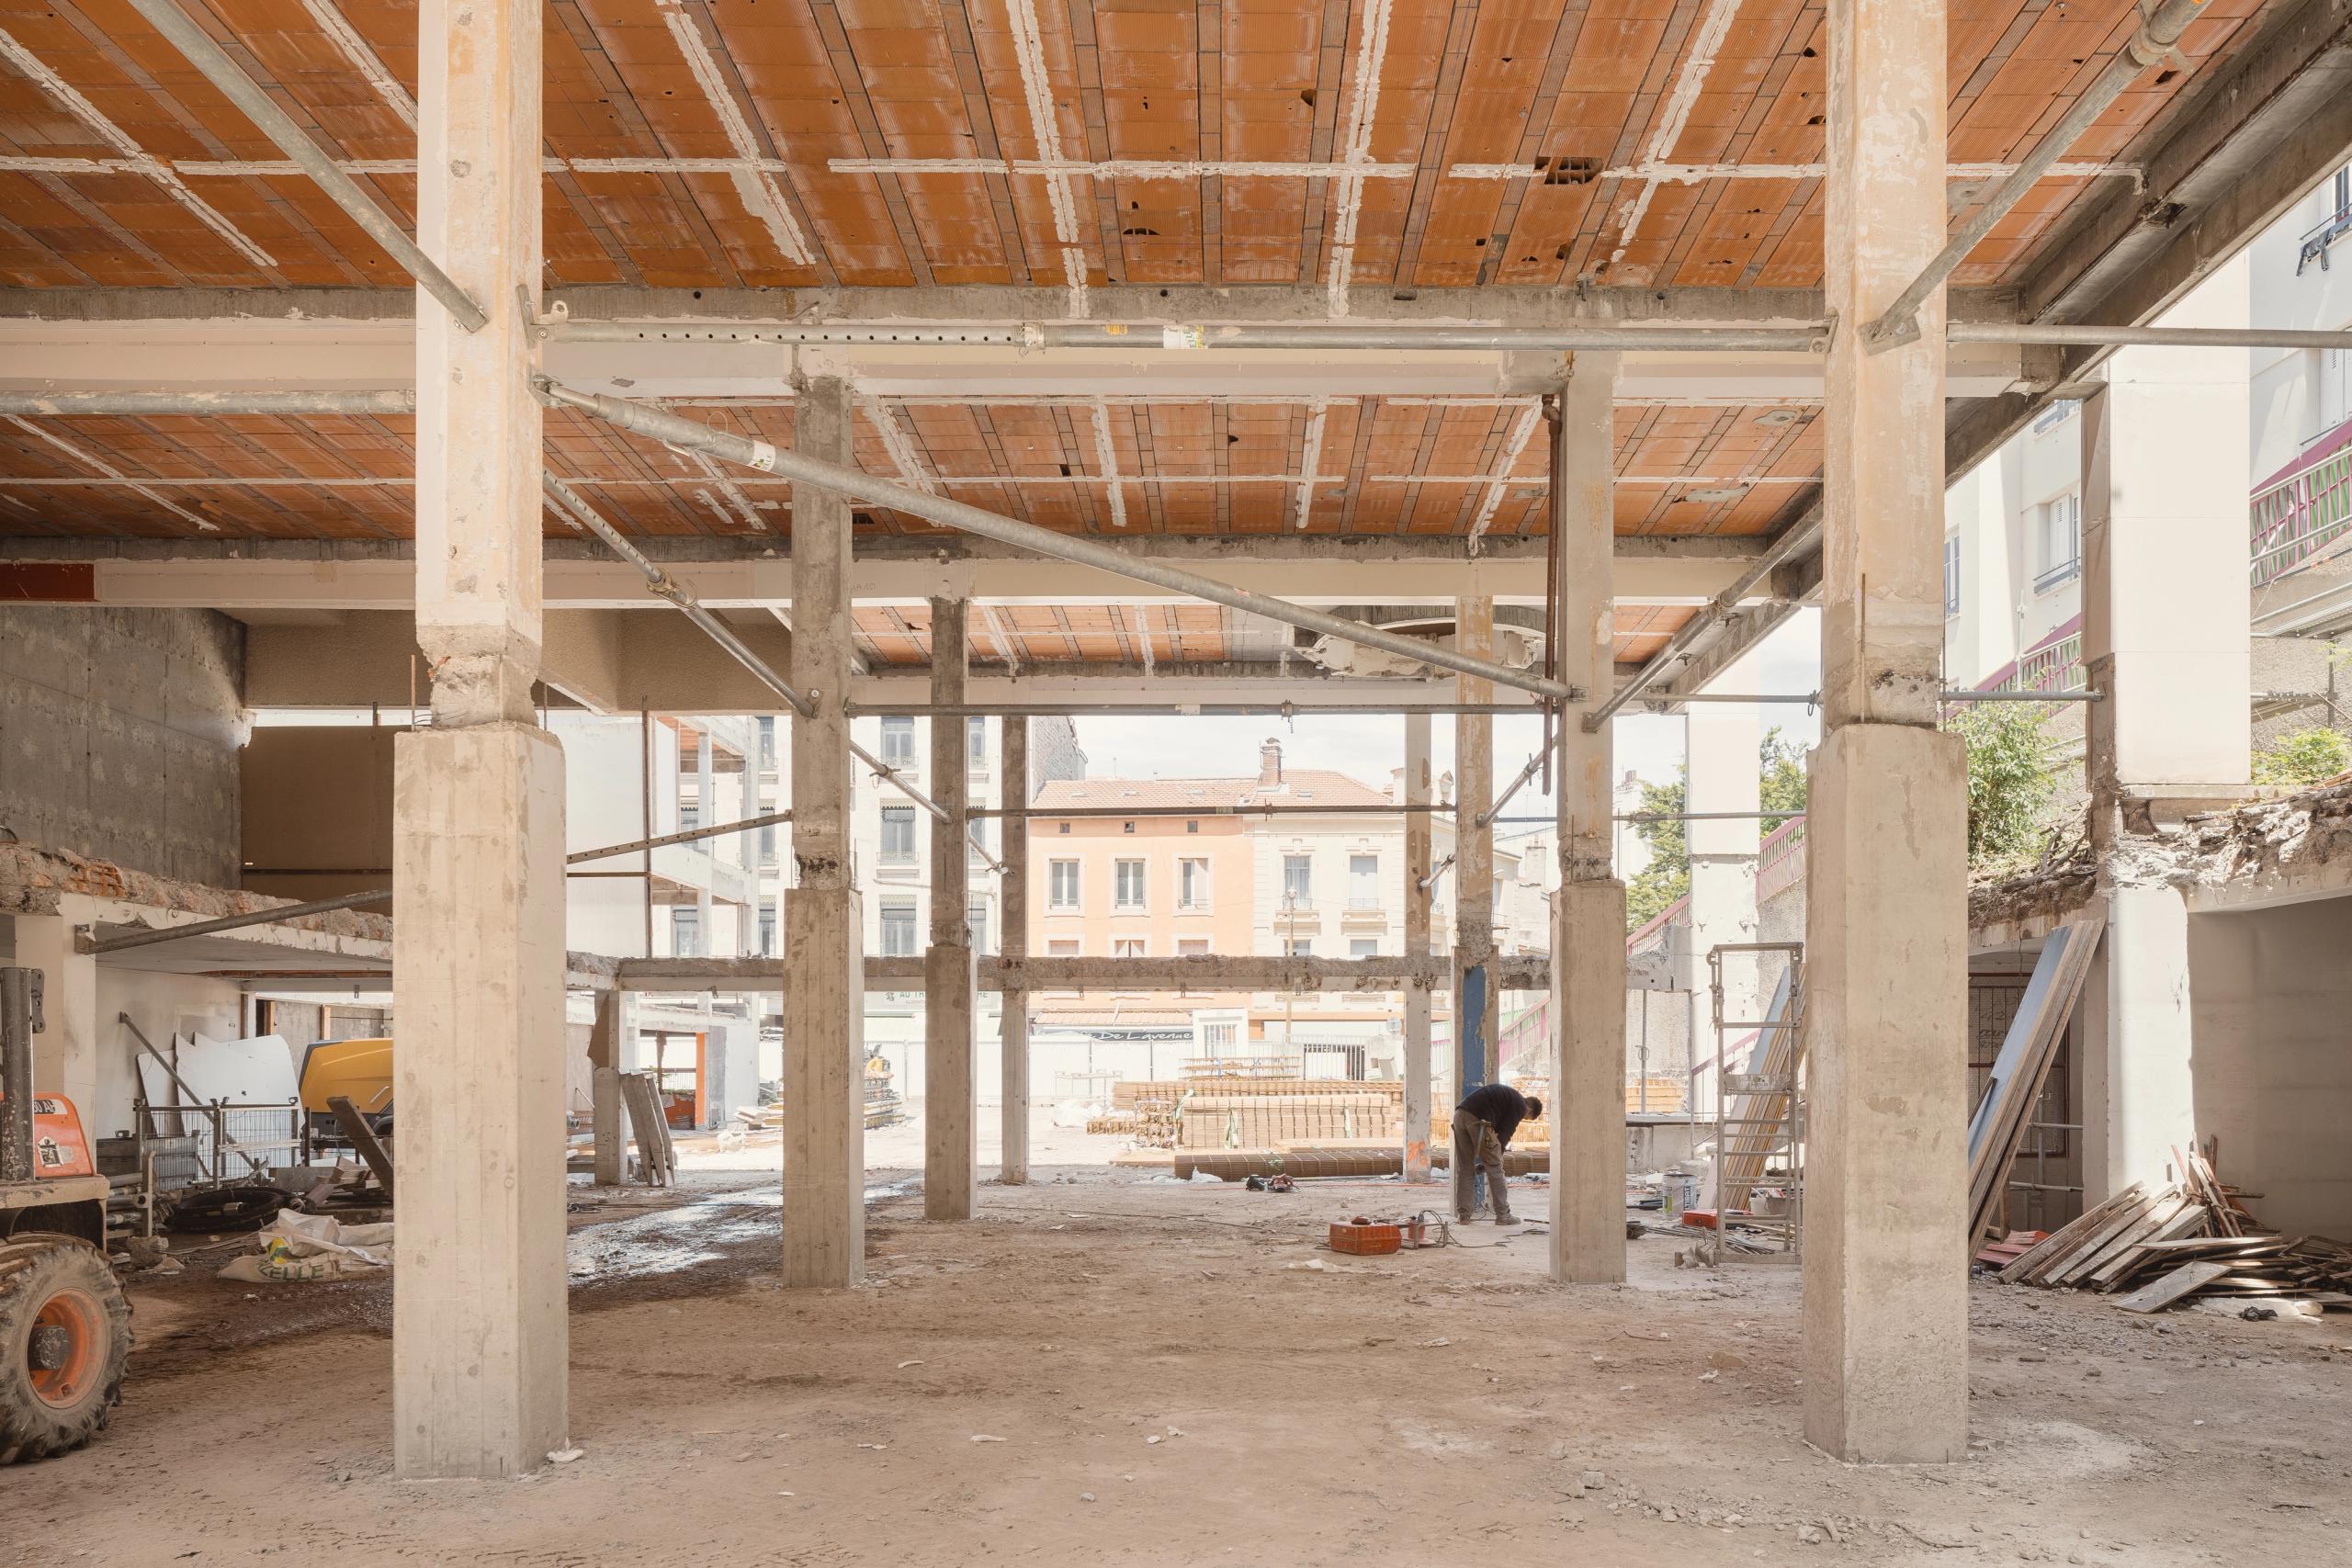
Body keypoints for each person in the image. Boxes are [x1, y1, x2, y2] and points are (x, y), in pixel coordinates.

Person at [1452, 1083, 1541, 1224]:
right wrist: (1496, 1157)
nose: (1522, 1118)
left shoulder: (1508, 1098)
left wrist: (1488, 1158)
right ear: (1529, 1110)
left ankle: (1464, 1216)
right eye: (1526, 1118)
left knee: (1465, 1168)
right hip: (1478, 1120)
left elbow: (1496, 1132)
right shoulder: (1520, 1105)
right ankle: (1503, 1215)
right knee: (1495, 1168)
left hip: (1459, 1115)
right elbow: (1505, 1133)